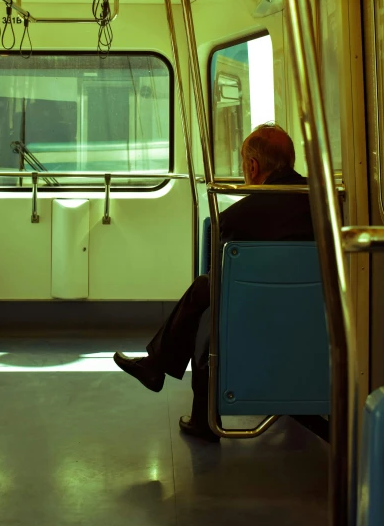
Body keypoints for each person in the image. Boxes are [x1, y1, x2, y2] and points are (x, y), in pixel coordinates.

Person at [114, 123, 314, 442]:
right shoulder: (324, 204)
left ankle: (187, 399)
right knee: (207, 290)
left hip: (259, 315)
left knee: (208, 297)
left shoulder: (238, 217)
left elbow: (230, 278)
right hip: (318, 315)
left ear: (252, 166)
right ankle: (155, 364)